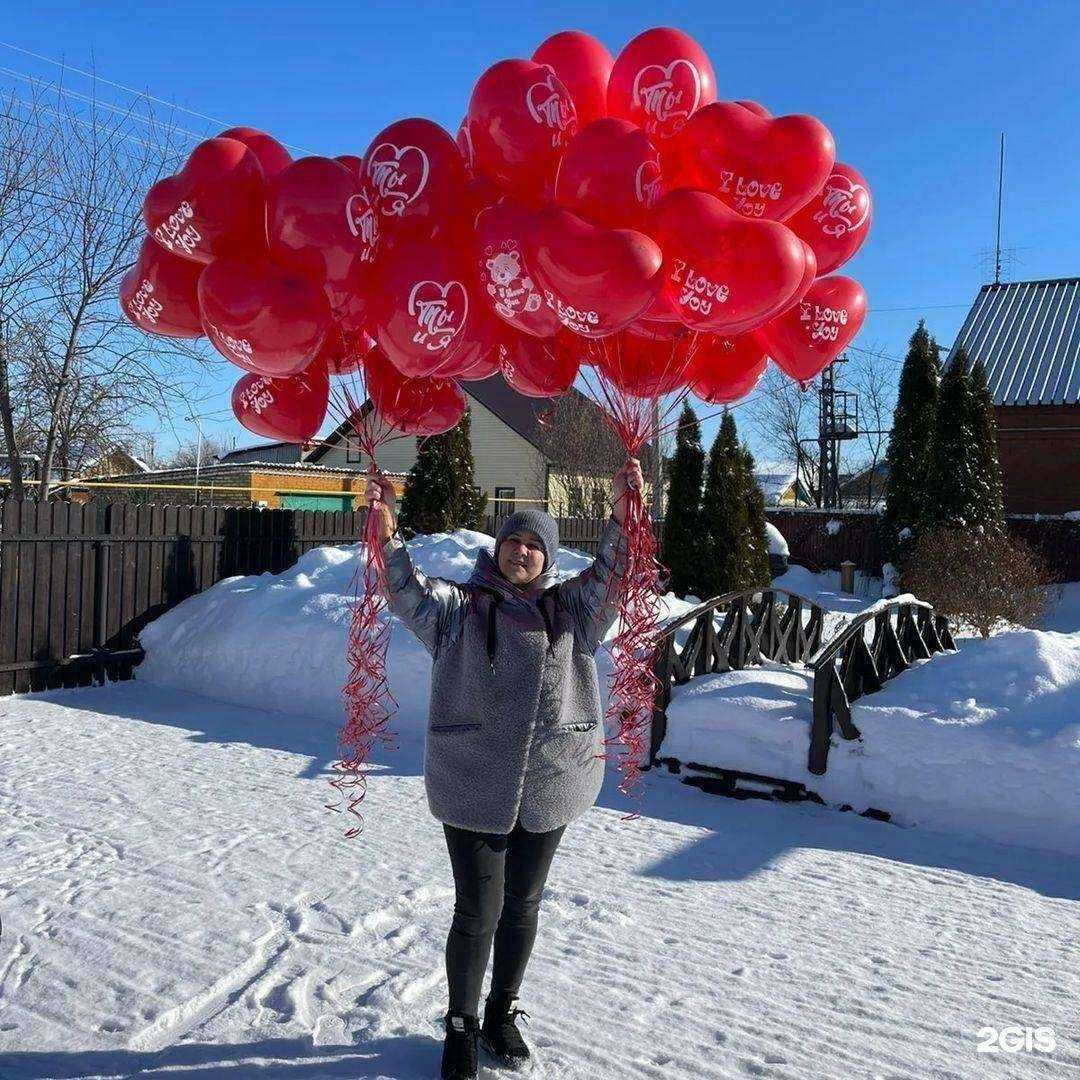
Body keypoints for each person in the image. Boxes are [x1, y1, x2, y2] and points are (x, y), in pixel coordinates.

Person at [365, 459, 640, 1080]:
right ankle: (460, 1025)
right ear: (498, 548)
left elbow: (614, 576)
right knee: (477, 911)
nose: (522, 552)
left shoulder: (573, 611)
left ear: (548, 556)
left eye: (534, 545)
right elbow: (403, 590)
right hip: (473, 782)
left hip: (551, 780)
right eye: (513, 540)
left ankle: (501, 1011)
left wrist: (624, 516)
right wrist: (385, 532)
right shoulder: (457, 608)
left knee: (524, 905)